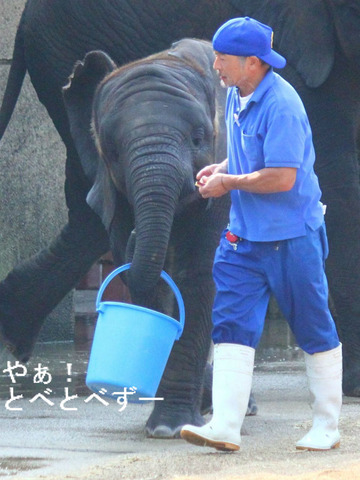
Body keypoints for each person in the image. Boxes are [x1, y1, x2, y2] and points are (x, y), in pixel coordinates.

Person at [180, 16, 342, 452]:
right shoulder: (235, 94)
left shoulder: (283, 105)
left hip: (292, 237)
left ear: (252, 62)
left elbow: (282, 178)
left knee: (313, 327)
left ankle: (327, 425)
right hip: (243, 238)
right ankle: (226, 426)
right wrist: (224, 167)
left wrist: (228, 184)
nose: (215, 64)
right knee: (230, 322)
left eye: (222, 57)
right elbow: (248, 155)